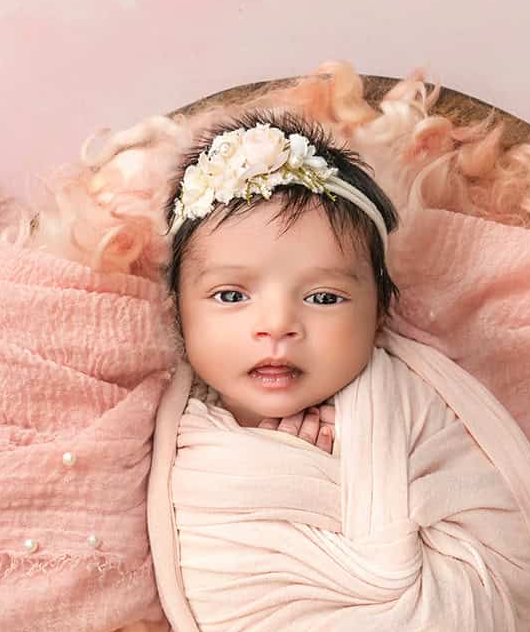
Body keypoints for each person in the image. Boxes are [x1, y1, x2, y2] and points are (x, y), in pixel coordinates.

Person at [159, 109, 400, 453]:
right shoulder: (160, 423)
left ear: (380, 312)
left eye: (323, 298)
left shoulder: (413, 410)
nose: (276, 326)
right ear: (177, 310)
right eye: (230, 296)